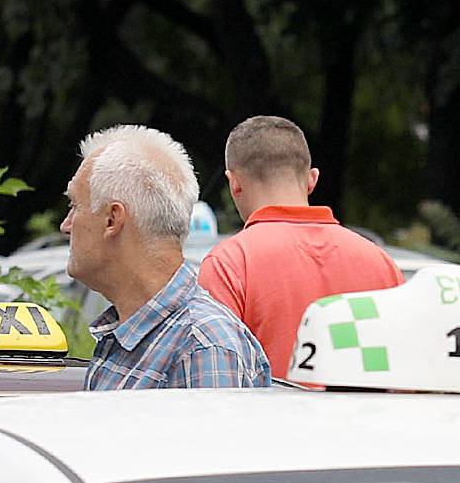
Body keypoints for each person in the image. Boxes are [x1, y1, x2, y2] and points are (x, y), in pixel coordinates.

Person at [64, 125, 270, 390]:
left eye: (74, 206)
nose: (66, 225)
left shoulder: (202, 347)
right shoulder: (133, 335)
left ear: (112, 219)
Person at [197, 114, 400, 380]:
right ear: (312, 179)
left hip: (269, 421)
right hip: (364, 421)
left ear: (234, 182)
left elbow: (218, 377)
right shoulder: (380, 262)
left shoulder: (230, 264)